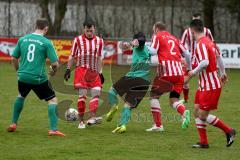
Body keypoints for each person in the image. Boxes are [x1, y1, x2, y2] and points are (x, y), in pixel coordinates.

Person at [7, 18, 65, 136]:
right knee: (52, 99)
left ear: (36, 26)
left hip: (22, 76)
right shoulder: (46, 42)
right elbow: (55, 64)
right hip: (38, 78)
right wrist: (53, 71)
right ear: (46, 28)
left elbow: (13, 58)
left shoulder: (22, 39)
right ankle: (53, 129)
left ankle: (13, 123)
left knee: (21, 95)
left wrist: (18, 70)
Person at [186, 19, 236, 148]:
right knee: (196, 111)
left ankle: (229, 131)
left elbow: (205, 62)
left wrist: (192, 72)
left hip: (210, 85)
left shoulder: (201, 44)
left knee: (202, 115)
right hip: (203, 85)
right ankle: (203, 142)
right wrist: (223, 73)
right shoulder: (210, 42)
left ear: (192, 30)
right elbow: (219, 58)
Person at [146, 22, 191, 132]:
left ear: (156, 29)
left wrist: (143, 46)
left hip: (166, 73)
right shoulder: (175, 39)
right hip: (179, 74)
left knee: (153, 96)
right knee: (173, 100)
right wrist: (189, 68)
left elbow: (153, 51)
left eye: (153, 30)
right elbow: (187, 54)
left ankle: (158, 125)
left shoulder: (157, 36)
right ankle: (184, 112)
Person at [106, 32, 152, 134]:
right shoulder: (146, 50)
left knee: (112, 90)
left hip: (134, 77)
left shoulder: (140, 45)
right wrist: (129, 45)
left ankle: (114, 106)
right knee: (128, 104)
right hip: (145, 82)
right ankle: (122, 125)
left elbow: (140, 41)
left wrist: (134, 42)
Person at [64, 19, 104, 129]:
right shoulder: (77, 40)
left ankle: (91, 118)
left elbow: (99, 57)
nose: (89, 33)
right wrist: (68, 69)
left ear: (94, 29)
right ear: (84, 29)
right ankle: (81, 122)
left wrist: (100, 72)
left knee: (96, 92)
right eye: (87, 31)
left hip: (94, 71)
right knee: (82, 96)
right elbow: (72, 55)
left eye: (91, 30)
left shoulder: (100, 41)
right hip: (81, 71)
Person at [180, 13, 217, 103]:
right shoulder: (187, 32)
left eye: (198, 19)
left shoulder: (207, 31)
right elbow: (182, 45)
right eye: (194, 19)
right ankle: (185, 99)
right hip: (191, 60)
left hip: (202, 59)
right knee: (184, 81)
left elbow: (212, 43)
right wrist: (183, 57)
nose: (196, 21)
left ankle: (201, 98)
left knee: (202, 80)